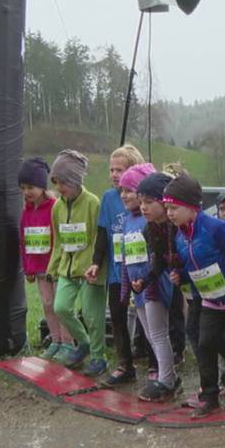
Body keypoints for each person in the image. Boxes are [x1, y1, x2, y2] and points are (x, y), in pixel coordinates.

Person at [164, 174, 225, 418]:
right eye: (167, 208)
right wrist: (182, 277)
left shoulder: (216, 228)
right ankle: (209, 397)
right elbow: (193, 266)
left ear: (191, 207)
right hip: (210, 301)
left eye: (174, 208)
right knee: (205, 344)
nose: (170, 213)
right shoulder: (179, 237)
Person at [118, 163, 179, 402]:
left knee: (159, 332)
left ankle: (166, 379)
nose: (143, 207)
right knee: (151, 333)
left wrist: (149, 279)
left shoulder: (170, 228)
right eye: (140, 202)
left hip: (157, 286)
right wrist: (138, 283)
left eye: (148, 202)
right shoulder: (149, 229)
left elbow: (161, 261)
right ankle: (166, 375)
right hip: (142, 284)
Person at [47, 150, 107, 375]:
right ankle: (83, 344)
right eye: (56, 182)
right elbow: (59, 241)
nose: (60, 187)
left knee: (93, 315)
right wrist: (53, 267)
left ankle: (99, 357)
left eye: (64, 182)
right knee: (60, 307)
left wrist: (96, 265)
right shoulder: (57, 207)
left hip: (91, 270)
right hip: (67, 269)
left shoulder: (93, 203)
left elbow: (97, 238)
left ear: (76, 180)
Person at [90, 144, 145, 386]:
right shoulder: (108, 198)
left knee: (146, 318)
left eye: (119, 170)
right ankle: (124, 365)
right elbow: (103, 233)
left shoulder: (142, 200)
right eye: (111, 170)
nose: (114, 175)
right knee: (119, 317)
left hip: (141, 270)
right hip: (117, 271)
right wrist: (95, 263)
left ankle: (156, 364)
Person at [18, 157, 72, 360]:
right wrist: (27, 268)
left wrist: (60, 263)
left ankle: (68, 343)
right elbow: (23, 242)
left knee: (61, 306)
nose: (26, 192)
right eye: (23, 188)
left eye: (30, 187)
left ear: (42, 185)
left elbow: (60, 237)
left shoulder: (54, 207)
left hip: (56, 267)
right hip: (38, 269)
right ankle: (55, 340)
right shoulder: (25, 213)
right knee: (47, 305)